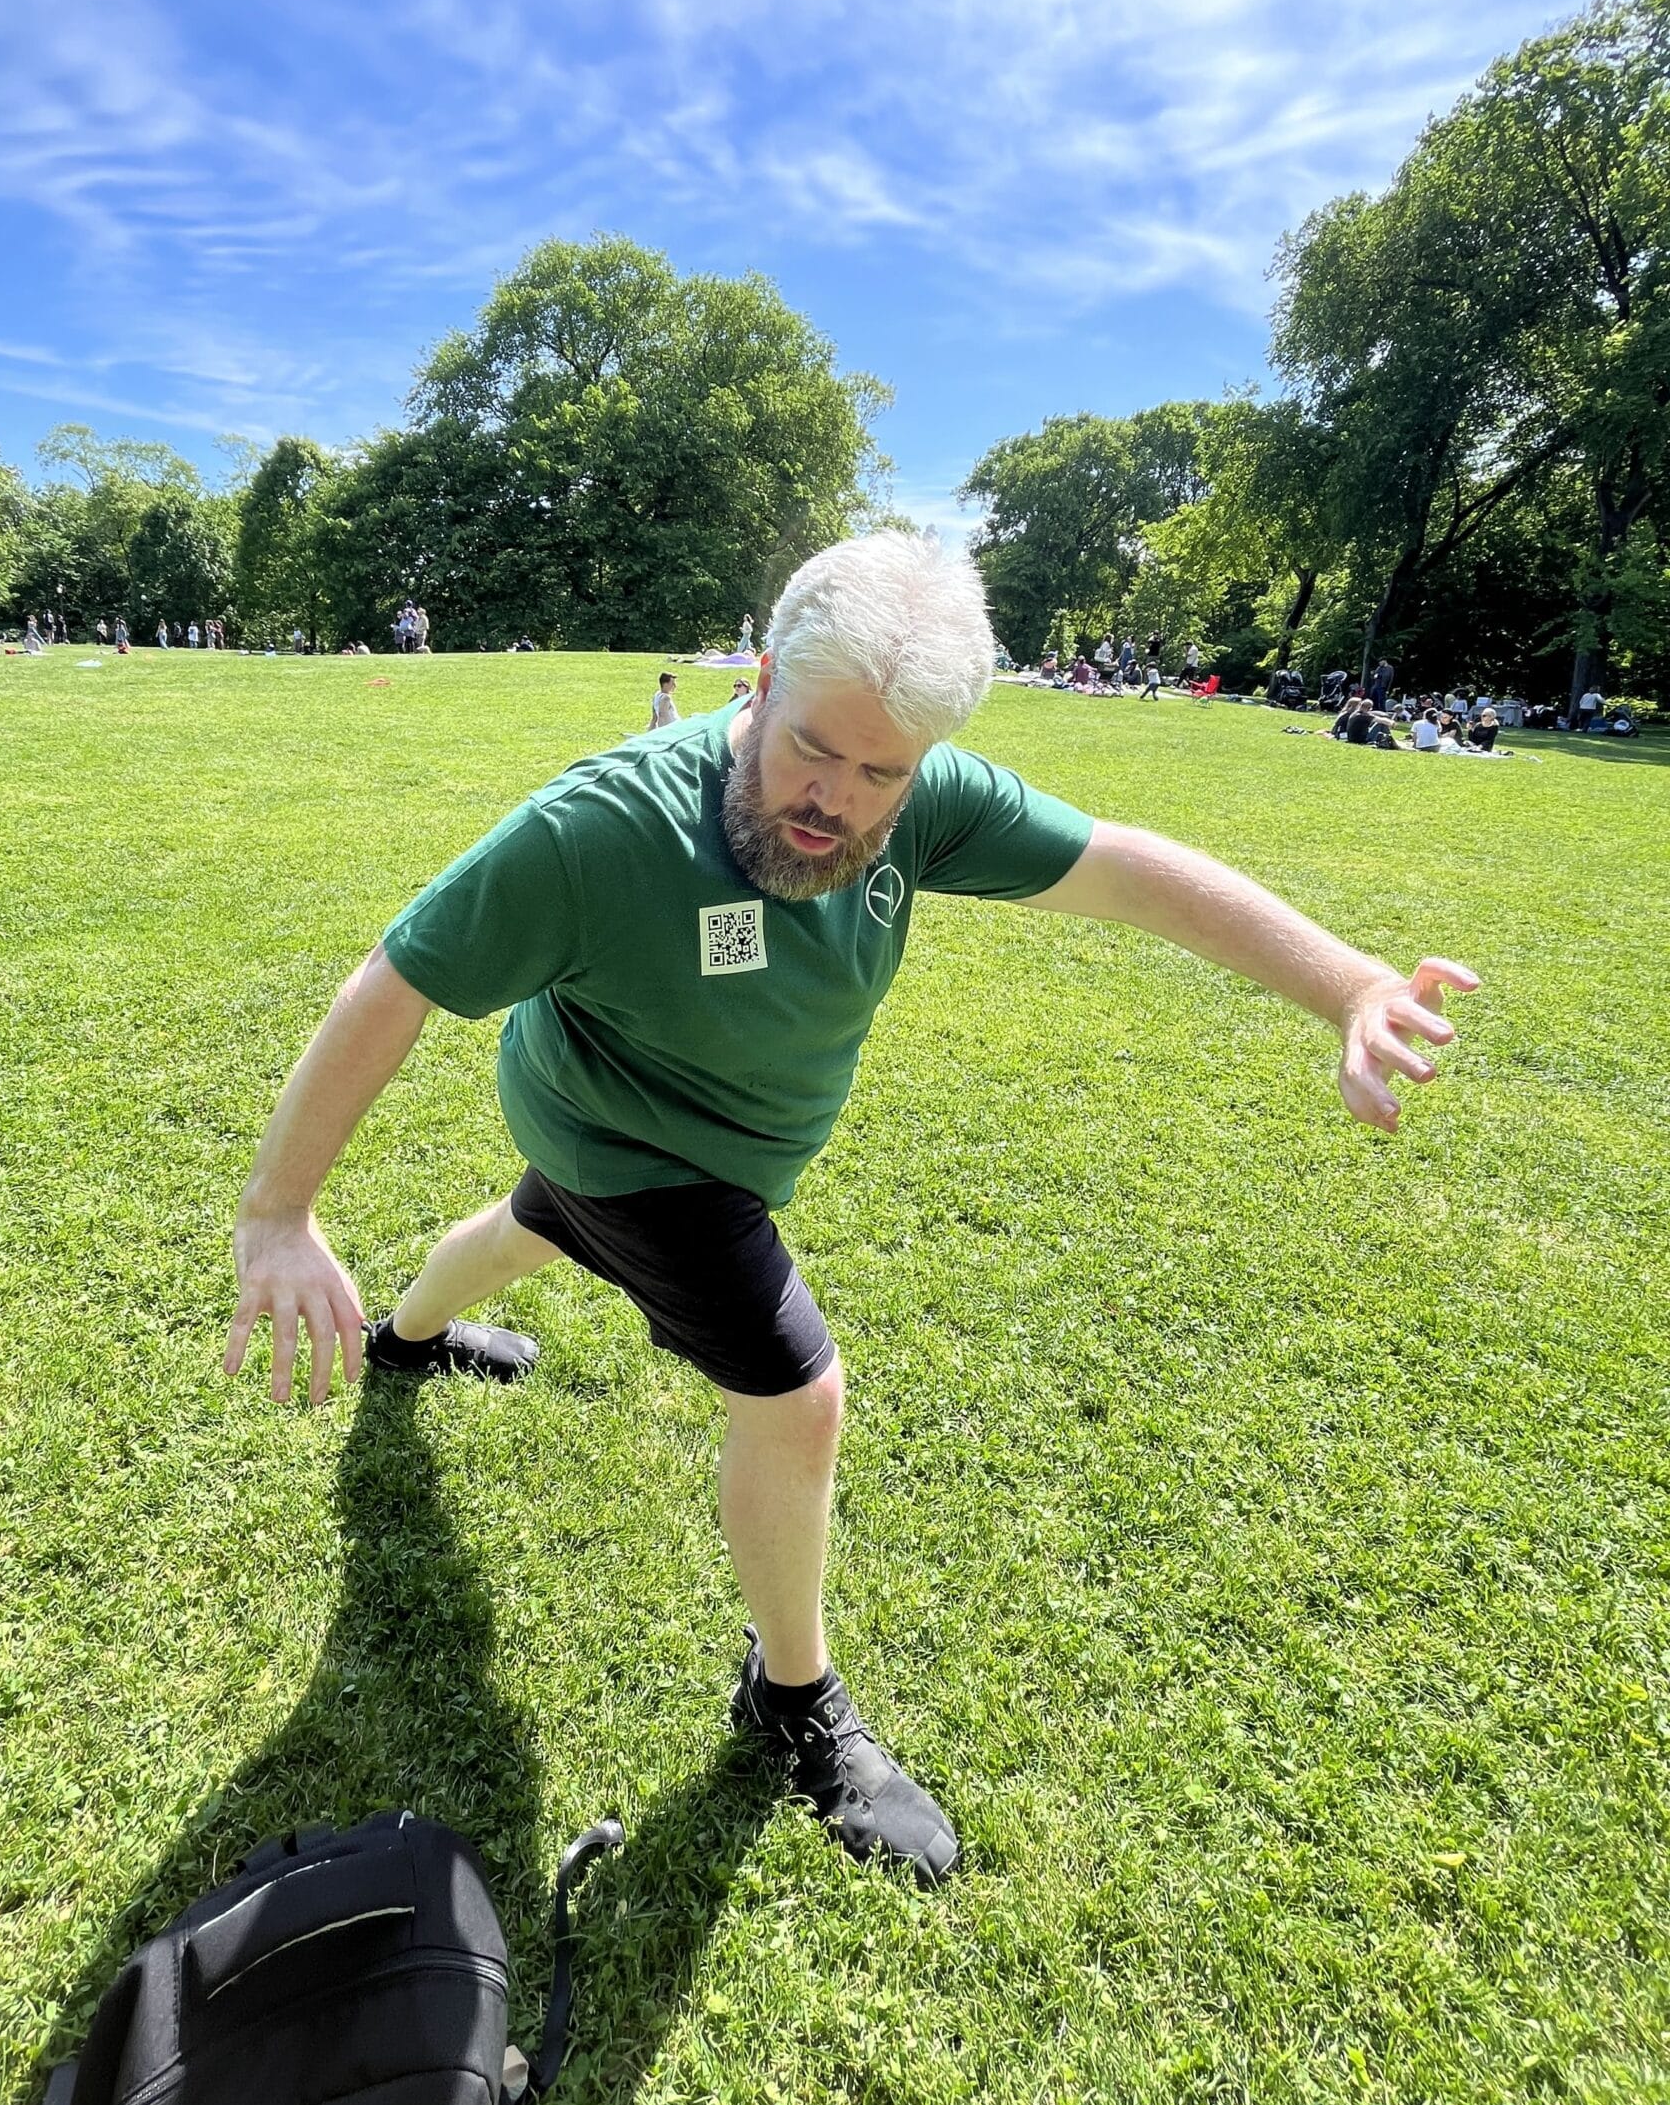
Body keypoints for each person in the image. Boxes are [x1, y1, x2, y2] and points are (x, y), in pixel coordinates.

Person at [224, 534, 1477, 1889]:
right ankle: (792, 1693)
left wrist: (1348, 984)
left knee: (536, 1226)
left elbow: (1122, 868)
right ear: (759, 679)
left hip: (648, 1150)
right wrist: (279, 1210)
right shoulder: (605, 830)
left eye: (883, 773)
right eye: (815, 750)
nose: (837, 800)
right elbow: (397, 977)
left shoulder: (920, 800)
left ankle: (406, 1344)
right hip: (628, 1136)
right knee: (794, 1390)